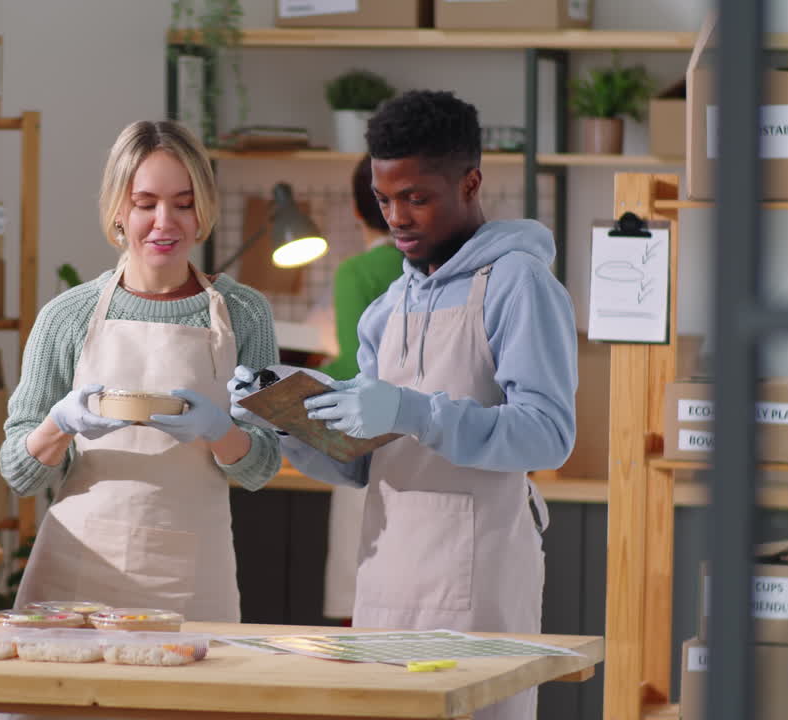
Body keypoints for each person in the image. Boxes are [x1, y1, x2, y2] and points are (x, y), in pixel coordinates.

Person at [230, 90, 576, 720]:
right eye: (384, 199)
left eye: (416, 198)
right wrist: (284, 421)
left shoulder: (518, 283)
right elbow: (362, 463)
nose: (397, 218)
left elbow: (549, 433)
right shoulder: (387, 308)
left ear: (470, 183)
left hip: (480, 582)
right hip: (385, 579)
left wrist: (416, 413)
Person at [0, 119, 282, 624]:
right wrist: (60, 424)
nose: (164, 222)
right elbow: (18, 472)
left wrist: (218, 430)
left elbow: (263, 466)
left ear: (203, 210)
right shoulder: (67, 316)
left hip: (190, 577)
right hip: (75, 572)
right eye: (145, 203)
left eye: (183, 203)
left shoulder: (245, 314)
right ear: (118, 210)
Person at [318, 154, 405, 624]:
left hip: (365, 448)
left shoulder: (357, 273)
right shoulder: (437, 265)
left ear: (356, 209)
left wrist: (314, 372)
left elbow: (354, 367)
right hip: (429, 447)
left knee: (360, 611)